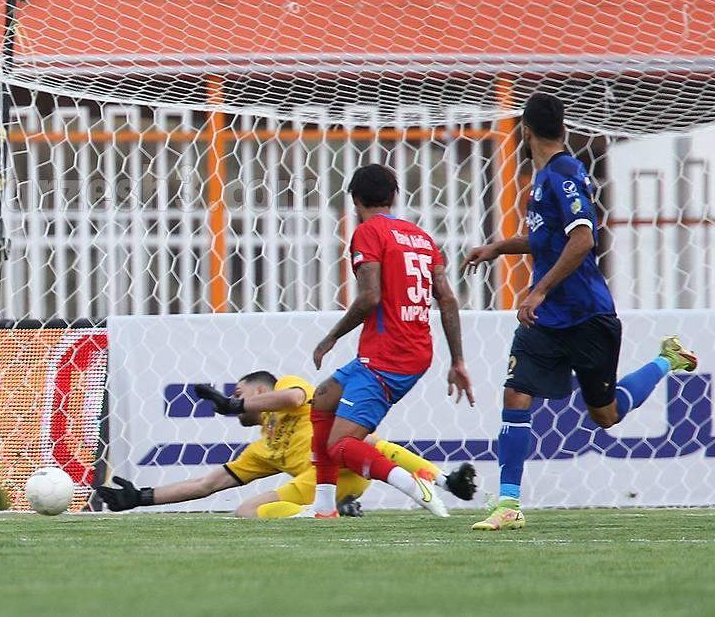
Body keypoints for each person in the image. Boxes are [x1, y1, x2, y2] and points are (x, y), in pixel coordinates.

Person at [465, 93, 697, 531]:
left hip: (587, 315)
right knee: (516, 393)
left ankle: (666, 360)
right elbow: (549, 240)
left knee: (605, 416)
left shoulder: (565, 173)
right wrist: (499, 247)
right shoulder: (543, 179)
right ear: (564, 128)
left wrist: (538, 291)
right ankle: (509, 504)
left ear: (525, 131)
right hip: (547, 320)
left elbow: (582, 239)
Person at [301, 163, 474, 519]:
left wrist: (330, 338)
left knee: (340, 444)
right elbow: (447, 299)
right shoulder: (421, 237)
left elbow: (370, 297)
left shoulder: (368, 233)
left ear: (355, 200)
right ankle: (324, 507)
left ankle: (415, 485)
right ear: (394, 196)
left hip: (389, 355)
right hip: (412, 349)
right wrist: (458, 360)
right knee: (323, 399)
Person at [95, 370, 476, 516]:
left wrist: (235, 405)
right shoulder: (261, 450)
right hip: (323, 483)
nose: (234, 400)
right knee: (246, 511)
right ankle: (325, 512)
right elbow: (207, 484)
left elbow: (294, 398)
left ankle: (446, 482)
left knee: (372, 441)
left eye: (240, 392)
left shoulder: (288, 387)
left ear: (260, 391)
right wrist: (142, 497)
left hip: (348, 459)